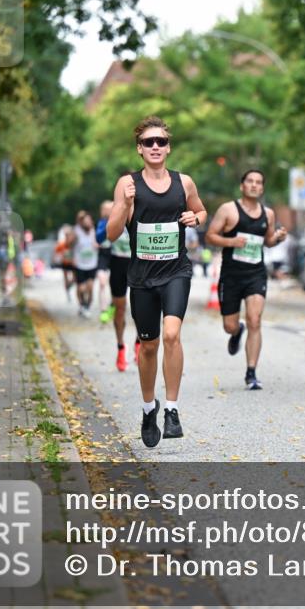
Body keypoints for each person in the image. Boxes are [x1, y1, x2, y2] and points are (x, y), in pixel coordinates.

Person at [106, 115, 207, 448]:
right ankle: (150, 408)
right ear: (139, 149)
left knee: (172, 334)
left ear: (168, 147)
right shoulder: (128, 183)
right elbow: (111, 232)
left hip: (175, 270)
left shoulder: (184, 183)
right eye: (148, 142)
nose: (155, 146)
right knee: (148, 346)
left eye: (160, 141)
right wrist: (127, 203)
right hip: (142, 276)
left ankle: (173, 410)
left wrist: (196, 218)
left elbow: (201, 212)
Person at [206, 169, 287, 391]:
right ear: (242, 186)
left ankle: (251, 373)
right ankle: (236, 332)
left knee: (255, 320)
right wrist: (231, 242)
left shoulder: (268, 214)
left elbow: (268, 241)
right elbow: (210, 236)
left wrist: (278, 238)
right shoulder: (228, 210)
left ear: (262, 188)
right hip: (231, 275)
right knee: (229, 325)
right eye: (249, 181)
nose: (254, 185)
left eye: (258, 182)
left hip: (256, 274)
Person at [101, 199, 140, 372]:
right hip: (118, 264)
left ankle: (139, 344)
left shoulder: (141, 209)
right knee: (120, 308)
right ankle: (120, 347)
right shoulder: (115, 212)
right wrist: (106, 220)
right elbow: (100, 237)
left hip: (138, 263)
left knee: (141, 308)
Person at [73, 211, 99, 318]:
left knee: (90, 287)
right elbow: (69, 244)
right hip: (80, 264)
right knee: (81, 288)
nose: (88, 222)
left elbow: (101, 242)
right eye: (85, 221)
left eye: (89, 220)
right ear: (81, 222)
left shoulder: (94, 231)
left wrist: (98, 245)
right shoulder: (76, 232)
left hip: (92, 263)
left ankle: (87, 306)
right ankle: (82, 305)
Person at [95, 200, 114, 322]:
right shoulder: (102, 223)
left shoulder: (121, 220)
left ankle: (113, 305)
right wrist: (109, 225)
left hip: (115, 255)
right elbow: (99, 238)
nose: (108, 211)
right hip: (104, 255)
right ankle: (103, 310)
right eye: (106, 209)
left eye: (110, 208)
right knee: (102, 282)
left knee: (115, 283)